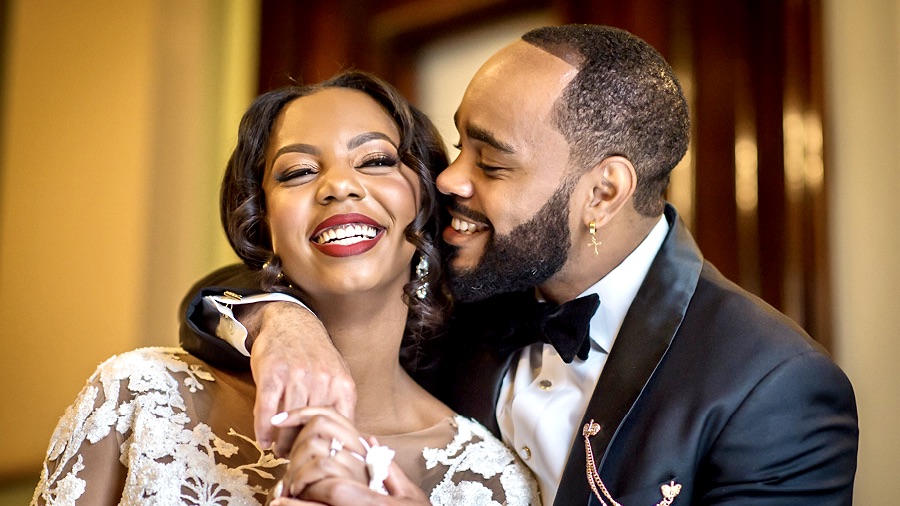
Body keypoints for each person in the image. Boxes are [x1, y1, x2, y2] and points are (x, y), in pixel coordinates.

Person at [181, 25, 859, 505]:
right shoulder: (470, 275)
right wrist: (281, 321)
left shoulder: (772, 388)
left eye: (492, 163)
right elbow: (277, 267)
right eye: (459, 145)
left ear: (603, 193)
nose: (449, 180)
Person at [31, 71, 539, 505]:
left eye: (376, 160)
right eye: (298, 172)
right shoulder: (138, 399)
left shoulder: (494, 481)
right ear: (262, 224)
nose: (339, 185)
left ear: (427, 204)